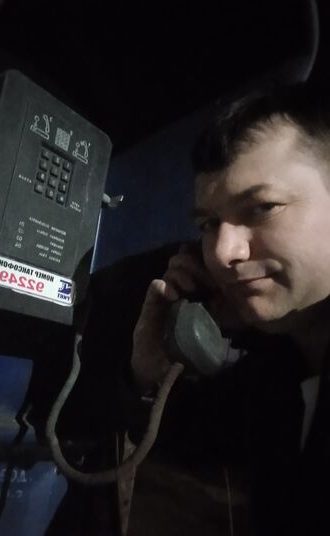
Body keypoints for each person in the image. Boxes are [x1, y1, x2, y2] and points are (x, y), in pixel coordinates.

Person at [130, 83, 330, 535]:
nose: (223, 253)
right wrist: (154, 374)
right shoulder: (272, 375)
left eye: (263, 207)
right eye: (209, 224)